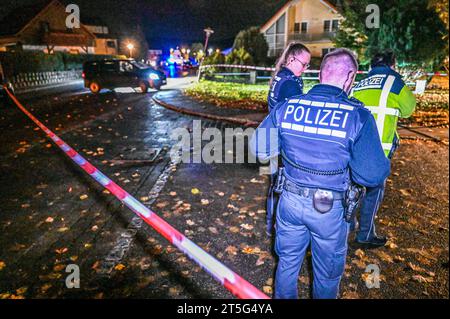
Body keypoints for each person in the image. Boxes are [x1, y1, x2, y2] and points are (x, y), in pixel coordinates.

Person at [250, 48, 390, 299]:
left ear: (321, 73)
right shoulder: (357, 115)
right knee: (326, 275)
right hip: (329, 208)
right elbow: (372, 175)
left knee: (288, 263)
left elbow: (259, 148)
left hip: (289, 202)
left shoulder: (289, 106)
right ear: (350, 77)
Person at [350, 50, 416, 248]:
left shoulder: (359, 84)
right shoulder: (395, 83)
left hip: (355, 149)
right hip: (379, 151)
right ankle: (364, 235)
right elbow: (409, 109)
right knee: (373, 193)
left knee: (353, 190)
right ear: (392, 65)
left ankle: (347, 227)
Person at [265, 42, 311, 236]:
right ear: (292, 59)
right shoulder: (290, 83)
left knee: (275, 182)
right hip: (284, 143)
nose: (306, 69)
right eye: (304, 64)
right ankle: (277, 226)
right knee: (281, 186)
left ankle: (270, 223)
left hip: (274, 138)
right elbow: (298, 116)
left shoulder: (282, 76)